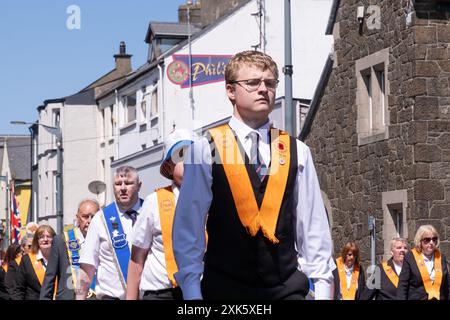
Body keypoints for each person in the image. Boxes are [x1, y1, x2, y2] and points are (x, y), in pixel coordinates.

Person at [172, 50, 335, 300]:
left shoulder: (296, 150)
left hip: (286, 288)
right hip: (225, 290)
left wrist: (322, 290)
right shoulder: (205, 150)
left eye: (270, 83)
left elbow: (312, 226)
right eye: (252, 83)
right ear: (230, 91)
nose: (263, 89)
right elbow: (189, 227)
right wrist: (192, 294)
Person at [126, 129, 193, 300]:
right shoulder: (154, 201)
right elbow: (136, 260)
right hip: (161, 293)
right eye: (181, 155)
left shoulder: (213, 199)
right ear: (169, 166)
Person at [77, 166, 143, 300]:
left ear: (139, 186)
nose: (123, 188)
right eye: (118, 184)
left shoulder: (151, 212)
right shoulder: (100, 219)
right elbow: (87, 268)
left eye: (129, 183)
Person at [40, 199, 100, 300]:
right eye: (85, 217)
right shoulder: (61, 241)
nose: (89, 221)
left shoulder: (105, 241)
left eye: (93, 217)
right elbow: (49, 278)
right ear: (77, 218)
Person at [397, 225, 450, 300]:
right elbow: (402, 286)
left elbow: (447, 285)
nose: (431, 242)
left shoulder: (441, 258)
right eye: (427, 240)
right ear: (420, 241)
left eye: (434, 239)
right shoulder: (410, 257)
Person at [12, 225, 56, 300]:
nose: (45, 239)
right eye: (41, 237)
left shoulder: (61, 258)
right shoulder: (27, 260)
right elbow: (18, 289)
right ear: (37, 240)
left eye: (49, 236)